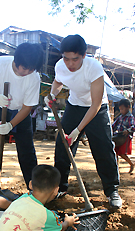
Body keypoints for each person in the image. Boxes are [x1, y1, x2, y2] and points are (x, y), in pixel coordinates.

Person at [47, 33, 122, 210]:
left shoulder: (94, 67)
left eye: (75, 59)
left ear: (84, 55)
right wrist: (52, 94)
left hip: (97, 108)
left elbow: (95, 104)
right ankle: (60, 187)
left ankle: (112, 190)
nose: (70, 64)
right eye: (66, 58)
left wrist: (77, 131)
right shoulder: (61, 66)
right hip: (74, 106)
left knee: (103, 148)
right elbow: (58, 82)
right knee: (63, 146)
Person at [0, 43, 42, 182]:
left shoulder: (34, 77)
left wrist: (10, 125)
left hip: (20, 111)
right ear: (16, 60)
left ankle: (34, 188)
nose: (26, 72)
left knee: (27, 149)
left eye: (31, 69)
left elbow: (27, 107)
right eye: (24, 68)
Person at [112, 98, 135, 174]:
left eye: (122, 109)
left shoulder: (130, 117)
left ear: (128, 107)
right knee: (114, 152)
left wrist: (128, 131)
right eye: (120, 109)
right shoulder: (120, 117)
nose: (121, 111)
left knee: (122, 153)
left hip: (125, 137)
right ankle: (116, 168)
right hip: (118, 136)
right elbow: (114, 125)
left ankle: (131, 163)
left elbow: (133, 126)